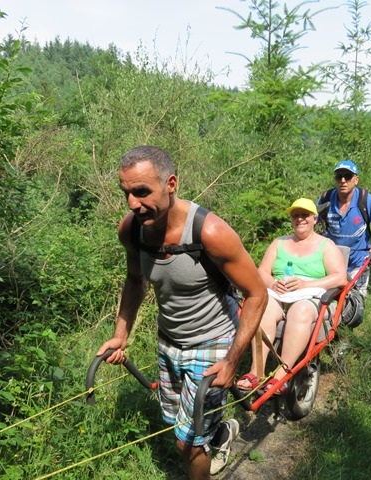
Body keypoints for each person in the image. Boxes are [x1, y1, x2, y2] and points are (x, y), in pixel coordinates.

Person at [96, 146, 268, 479]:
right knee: (177, 424)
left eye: (142, 192)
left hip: (214, 341)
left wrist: (233, 360)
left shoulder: (210, 232)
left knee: (186, 444)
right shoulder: (131, 229)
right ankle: (220, 433)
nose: (133, 203)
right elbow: (135, 279)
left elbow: (257, 293)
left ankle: (204, 447)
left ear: (170, 183)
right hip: (169, 340)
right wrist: (120, 335)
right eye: (127, 193)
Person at [236, 198, 347, 394]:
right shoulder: (279, 242)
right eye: (296, 215)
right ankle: (257, 371)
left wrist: (306, 284)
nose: (300, 219)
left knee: (300, 309)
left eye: (305, 215)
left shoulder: (326, 245)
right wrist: (272, 283)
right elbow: (262, 271)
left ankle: (281, 374)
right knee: (264, 307)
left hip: (312, 297)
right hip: (279, 293)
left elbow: (340, 278)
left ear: (315, 219)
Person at [318, 160, 371, 296]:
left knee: (356, 301)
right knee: (328, 299)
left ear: (356, 179)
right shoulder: (326, 199)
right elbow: (311, 221)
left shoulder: (366, 200)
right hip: (332, 259)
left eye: (347, 176)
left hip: (359, 260)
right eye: (339, 176)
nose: (343, 180)